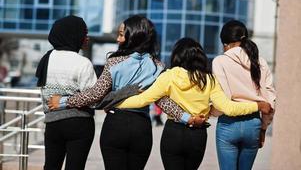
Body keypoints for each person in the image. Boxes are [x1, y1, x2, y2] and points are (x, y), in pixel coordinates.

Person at [48, 15, 203, 170]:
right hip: (141, 128)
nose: (118, 39)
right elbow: (163, 101)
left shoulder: (114, 62)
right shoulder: (158, 67)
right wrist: (188, 118)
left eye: (122, 34)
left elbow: (95, 94)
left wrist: (62, 102)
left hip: (115, 125)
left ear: (133, 36)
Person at [115, 37, 272, 170]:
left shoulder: (168, 77)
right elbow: (228, 108)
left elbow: (142, 99)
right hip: (197, 136)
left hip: (173, 133)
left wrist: (114, 103)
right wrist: (257, 106)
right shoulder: (209, 80)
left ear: (177, 56)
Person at [211, 20, 276, 170]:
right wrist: (263, 128)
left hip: (228, 124)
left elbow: (223, 99)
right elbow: (270, 99)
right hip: (253, 124)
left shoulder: (220, 61)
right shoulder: (260, 62)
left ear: (225, 43)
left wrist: (210, 112)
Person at [35, 15, 97, 170]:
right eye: (84, 33)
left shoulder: (46, 59)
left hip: (52, 122)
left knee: (51, 166)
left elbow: (44, 94)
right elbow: (93, 98)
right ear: (74, 35)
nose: (87, 38)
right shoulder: (83, 63)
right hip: (79, 123)